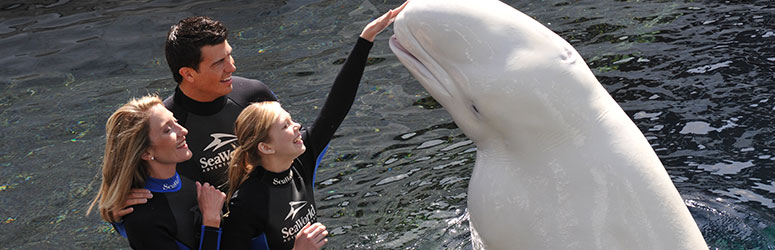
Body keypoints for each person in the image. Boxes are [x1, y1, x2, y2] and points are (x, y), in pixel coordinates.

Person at [220, 2, 408, 249]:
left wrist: (367, 37)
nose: (298, 126)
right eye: (286, 125)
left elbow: (337, 106)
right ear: (265, 147)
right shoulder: (245, 204)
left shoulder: (300, 162)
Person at [87, 95, 226, 249]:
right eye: (167, 130)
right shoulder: (143, 218)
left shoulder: (187, 168)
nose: (184, 131)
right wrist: (211, 223)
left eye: (176, 122)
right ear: (145, 152)